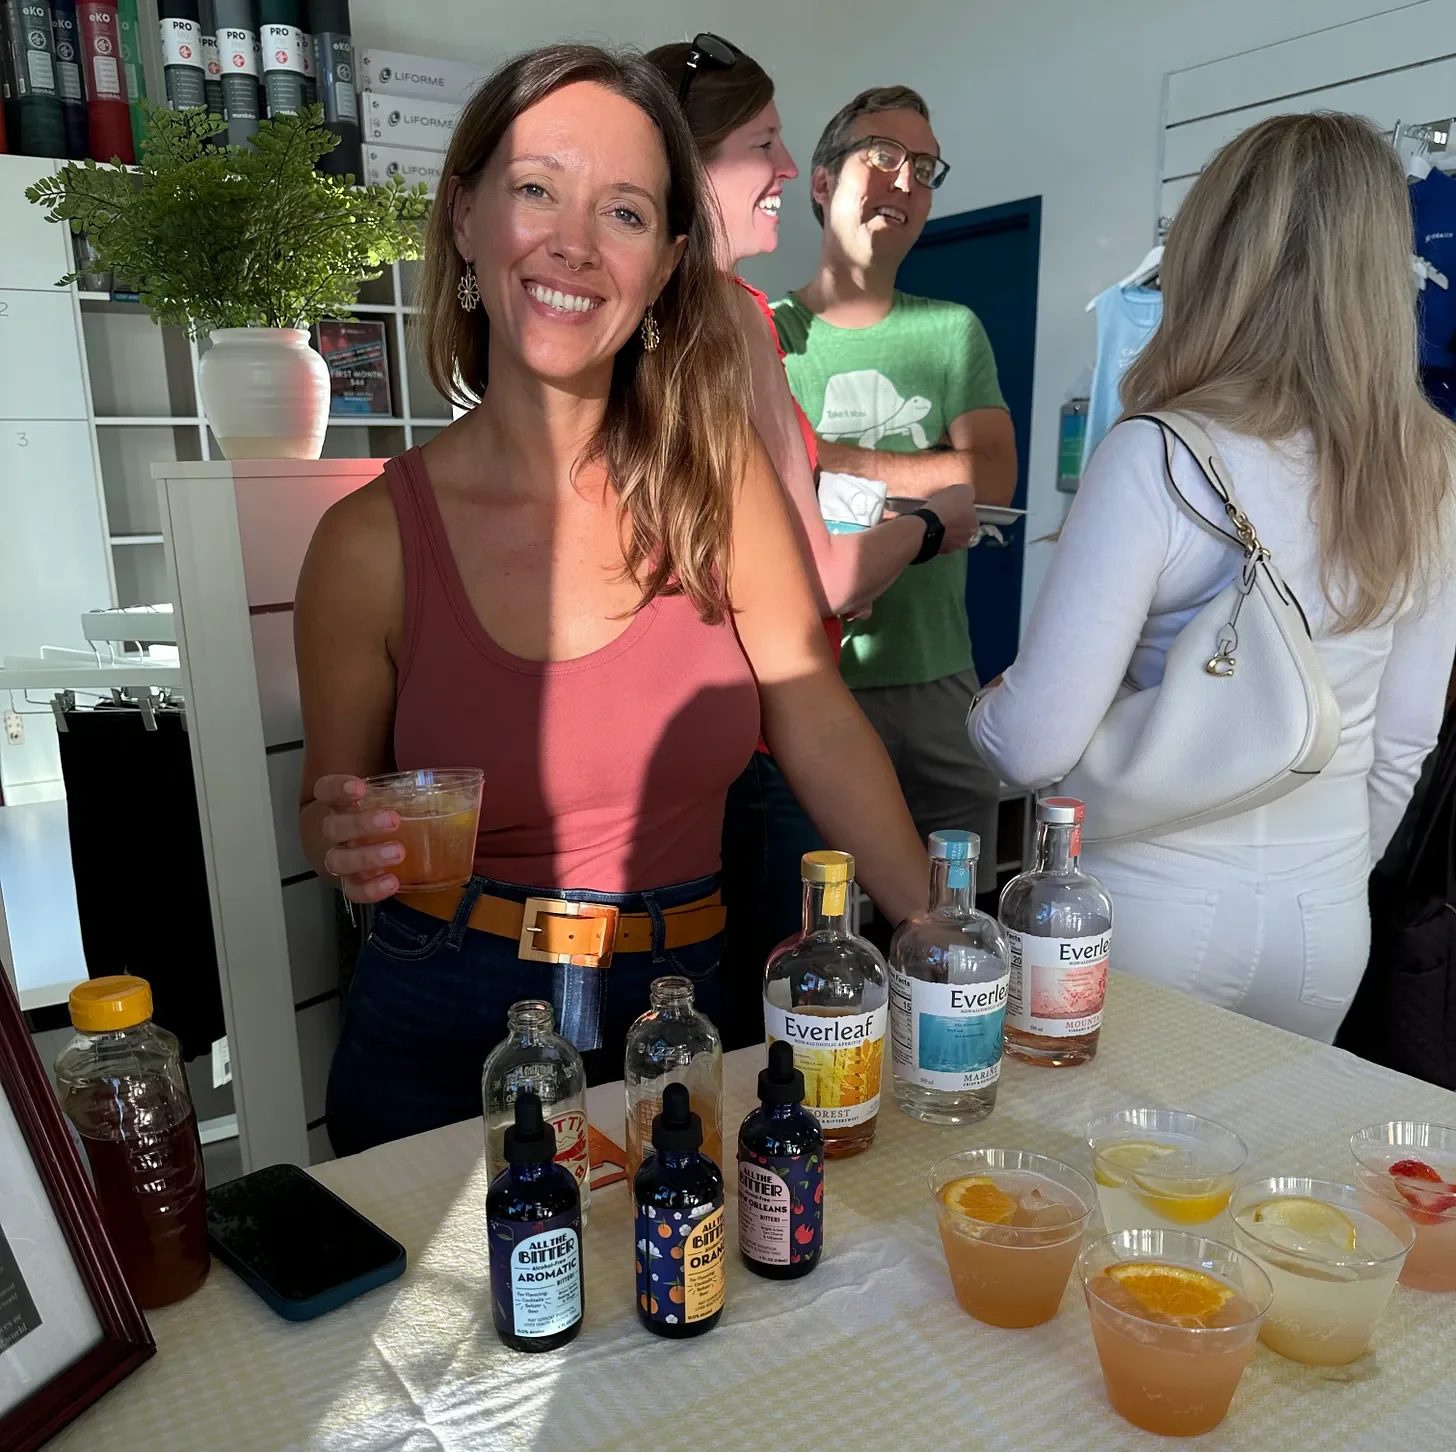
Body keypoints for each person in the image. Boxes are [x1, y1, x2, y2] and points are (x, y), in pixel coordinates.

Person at [293, 44, 930, 1156]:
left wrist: (932, 927)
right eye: (536, 188)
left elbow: (813, 710)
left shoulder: (717, 481)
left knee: (697, 1311)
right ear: (463, 216)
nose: (574, 244)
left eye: (625, 212)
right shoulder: (367, 543)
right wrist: (345, 835)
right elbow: (329, 803)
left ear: (669, 260)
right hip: (446, 1006)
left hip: (682, 995)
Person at [972, 113, 1456, 1044]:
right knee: (1262, 1181)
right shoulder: (1431, 470)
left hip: (1152, 904)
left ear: (1212, 255)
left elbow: (1032, 747)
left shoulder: (1158, 453)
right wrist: (1323, 867)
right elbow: (1405, 743)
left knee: (1116, 1177)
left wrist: (990, 704)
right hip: (1328, 921)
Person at [646, 37, 982, 1046]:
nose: (786, 171)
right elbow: (819, 578)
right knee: (798, 1036)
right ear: (687, 167)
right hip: (762, 743)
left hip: (675, 762)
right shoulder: (733, 316)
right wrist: (925, 526)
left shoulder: (640, 328)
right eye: (763, 145)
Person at [774, 85, 1017, 921]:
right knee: (828, 937)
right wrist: (932, 476)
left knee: (959, 927)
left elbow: (993, 482)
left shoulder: (952, 329)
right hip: (809, 682)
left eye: (924, 167)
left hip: (942, 678)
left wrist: (825, 463)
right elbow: (758, 485)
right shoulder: (765, 334)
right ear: (819, 181)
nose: (905, 180)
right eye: (881, 155)